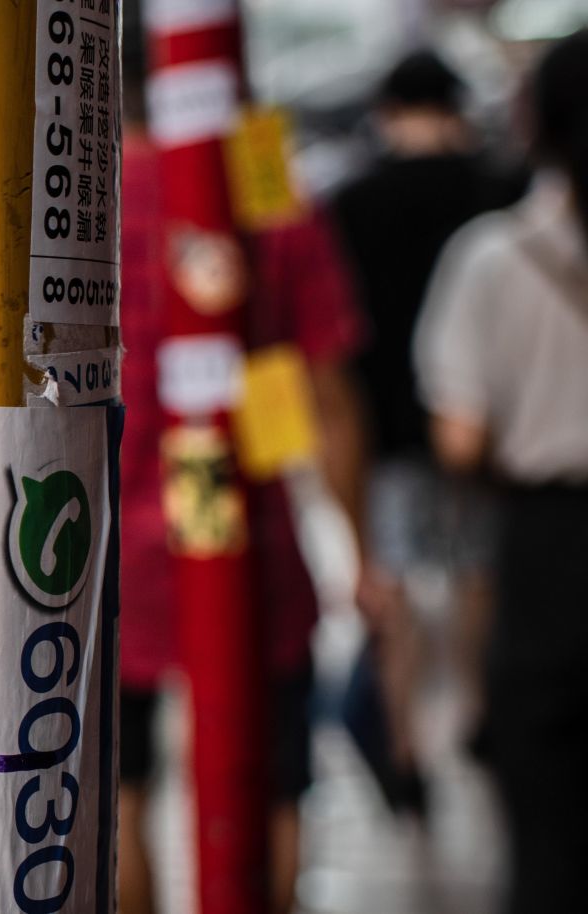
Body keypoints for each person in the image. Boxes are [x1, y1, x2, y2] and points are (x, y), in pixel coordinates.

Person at [117, 24, 371, 914]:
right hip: (248, 539)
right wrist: (361, 551)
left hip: (107, 551)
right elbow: (330, 396)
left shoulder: (76, 206)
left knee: (118, 796)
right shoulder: (271, 195)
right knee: (272, 783)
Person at [414, 30, 588, 914]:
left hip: (549, 550)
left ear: (539, 126)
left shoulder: (491, 259)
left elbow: (460, 443)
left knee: (548, 820)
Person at [330, 52, 524, 818]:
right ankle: (477, 719)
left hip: (384, 432)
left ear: (386, 109)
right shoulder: (497, 189)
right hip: (479, 428)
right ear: (454, 104)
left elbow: (341, 343)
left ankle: (406, 748)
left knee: (397, 589)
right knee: (479, 575)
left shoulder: (352, 201)